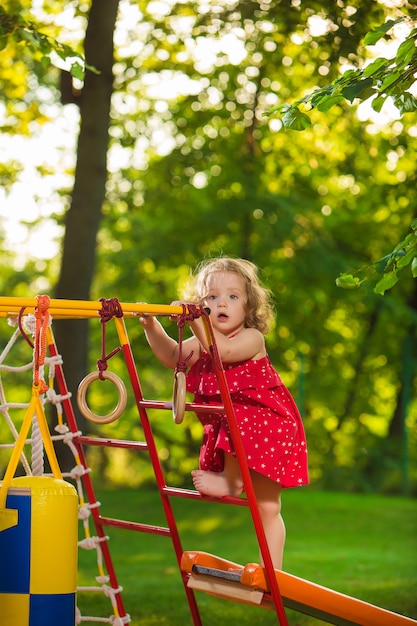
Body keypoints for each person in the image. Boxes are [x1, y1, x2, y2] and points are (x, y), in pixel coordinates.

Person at [139, 257, 309, 569]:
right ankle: (272, 571)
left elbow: (224, 353)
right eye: (211, 297)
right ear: (201, 302)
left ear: (249, 306)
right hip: (239, 430)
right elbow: (173, 355)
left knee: (267, 501)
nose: (221, 303)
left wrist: (196, 321)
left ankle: (233, 486)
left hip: (269, 425)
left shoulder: (251, 338)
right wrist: (152, 326)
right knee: (266, 507)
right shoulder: (203, 339)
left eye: (233, 296)